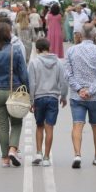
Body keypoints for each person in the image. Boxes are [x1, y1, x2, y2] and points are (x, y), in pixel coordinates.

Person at [65, 24, 96, 168]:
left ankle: (77, 154)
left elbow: (68, 74)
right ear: (95, 35)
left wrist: (79, 89)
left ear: (80, 35)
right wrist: (91, 90)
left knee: (77, 124)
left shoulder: (71, 51)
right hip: (95, 96)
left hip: (77, 97)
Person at [0, 22, 29, 168]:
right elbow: (24, 74)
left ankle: (5, 159)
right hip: (14, 91)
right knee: (16, 123)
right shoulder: (15, 51)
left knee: (2, 126)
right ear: (8, 34)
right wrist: (27, 92)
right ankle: (13, 149)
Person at [28, 38, 67, 167]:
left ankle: (38, 152)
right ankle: (46, 157)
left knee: (39, 126)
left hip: (39, 97)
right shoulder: (58, 62)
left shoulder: (34, 63)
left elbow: (32, 83)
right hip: (52, 98)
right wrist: (63, 96)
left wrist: (31, 100)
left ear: (37, 50)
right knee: (49, 127)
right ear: (49, 48)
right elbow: (63, 81)